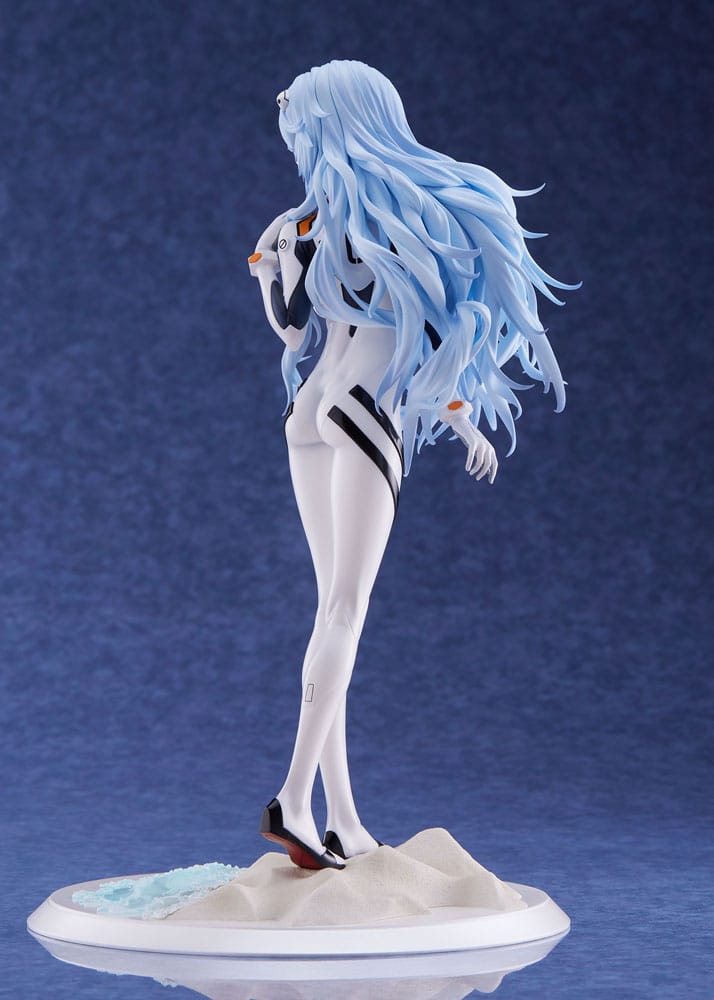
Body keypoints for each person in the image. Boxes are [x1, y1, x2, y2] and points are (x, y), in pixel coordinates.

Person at [248, 60, 575, 870]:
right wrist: (462, 420)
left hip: (308, 413)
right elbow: (439, 331)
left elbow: (291, 334)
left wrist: (271, 274)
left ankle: (343, 821)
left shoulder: (295, 228)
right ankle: (293, 799)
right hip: (364, 412)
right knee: (344, 611)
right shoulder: (403, 213)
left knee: (330, 611)